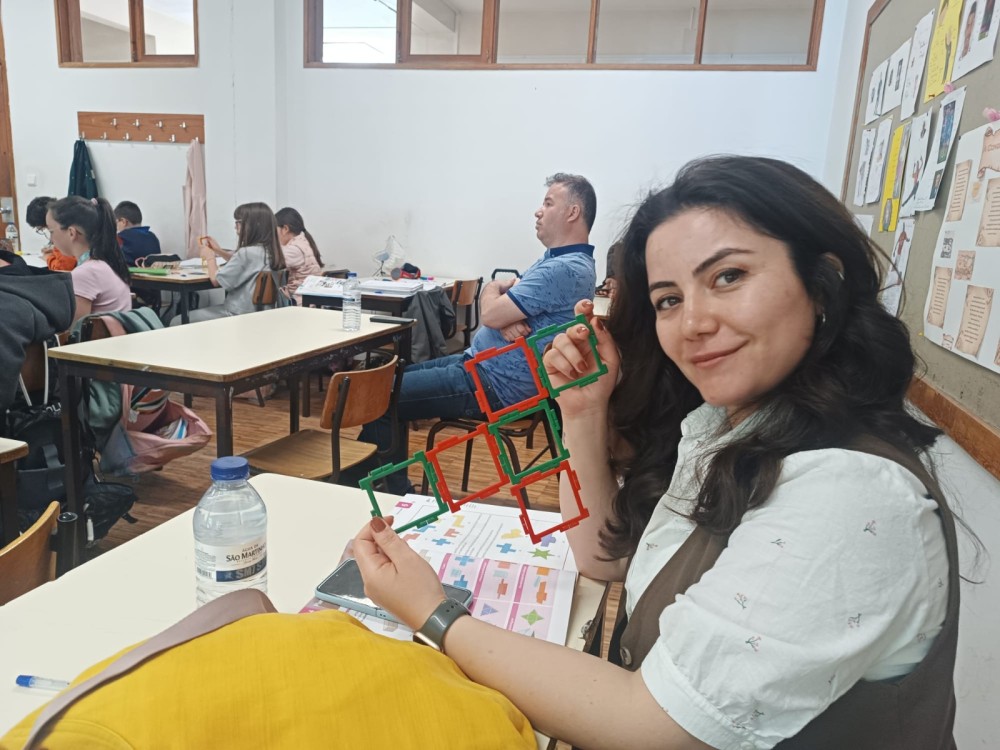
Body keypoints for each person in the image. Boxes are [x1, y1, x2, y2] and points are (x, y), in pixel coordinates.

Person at [351, 156, 961, 749]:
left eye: (728, 277)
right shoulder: (726, 424)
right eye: (669, 299)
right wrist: (582, 411)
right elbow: (603, 556)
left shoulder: (847, 493)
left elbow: (648, 725)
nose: (693, 322)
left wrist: (435, 613)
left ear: (821, 283)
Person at [357, 173, 597, 493]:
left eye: (548, 203)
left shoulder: (564, 268)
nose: (538, 211)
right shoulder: (559, 259)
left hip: (492, 384)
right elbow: (503, 308)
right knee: (386, 382)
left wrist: (494, 298)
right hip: (479, 365)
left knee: (380, 396)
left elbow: (491, 312)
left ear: (573, 212)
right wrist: (502, 315)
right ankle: (376, 484)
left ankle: (384, 491)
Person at [183, 202, 286, 324]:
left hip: (236, 314)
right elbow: (242, 262)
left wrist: (210, 257)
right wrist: (218, 250)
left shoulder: (246, 253)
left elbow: (216, 280)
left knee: (177, 321)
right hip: (262, 314)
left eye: (238, 222)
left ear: (252, 225)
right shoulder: (272, 252)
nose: (235, 226)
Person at [46, 196, 132, 322]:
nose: (50, 239)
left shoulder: (86, 273)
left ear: (71, 232)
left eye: (51, 231)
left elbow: (74, 329)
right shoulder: (105, 264)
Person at [275, 206, 322, 303]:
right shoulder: (303, 242)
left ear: (285, 229)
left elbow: (271, 263)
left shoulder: (294, 249)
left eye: (275, 231)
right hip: (308, 300)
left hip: (299, 301)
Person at [25, 196, 76, 271]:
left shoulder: (63, 231)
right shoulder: (71, 220)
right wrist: (53, 251)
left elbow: (62, 268)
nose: (51, 238)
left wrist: (48, 257)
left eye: (49, 230)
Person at [114, 200, 162, 265]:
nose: (116, 228)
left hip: (128, 271)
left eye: (116, 223)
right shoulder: (153, 237)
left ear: (123, 221)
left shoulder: (120, 238)